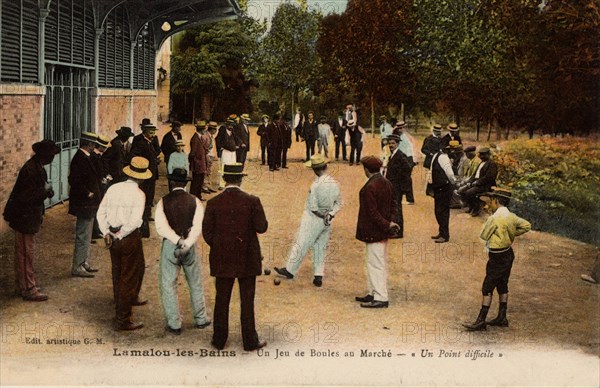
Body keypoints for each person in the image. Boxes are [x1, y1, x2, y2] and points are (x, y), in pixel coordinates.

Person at [202, 163, 268, 351]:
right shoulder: (252, 201)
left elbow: (207, 233)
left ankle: (219, 340)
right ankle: (250, 341)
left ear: (224, 179)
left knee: (222, 299)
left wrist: (221, 245)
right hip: (247, 258)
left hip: (222, 258)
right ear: (240, 179)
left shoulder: (213, 202)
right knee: (247, 301)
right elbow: (262, 227)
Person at [463, 187, 531, 331]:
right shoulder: (511, 216)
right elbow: (526, 225)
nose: (490, 204)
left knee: (487, 287)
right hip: (508, 254)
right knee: (502, 284)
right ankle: (502, 317)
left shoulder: (494, 218)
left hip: (496, 256)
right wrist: (511, 234)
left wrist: (495, 234)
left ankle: (481, 320)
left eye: (491, 201)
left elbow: (484, 235)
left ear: (496, 201)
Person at [97, 156, 152, 331]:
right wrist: (120, 235)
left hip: (111, 235)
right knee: (129, 274)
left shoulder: (113, 188)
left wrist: (106, 232)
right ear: (142, 178)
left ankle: (128, 298)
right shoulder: (139, 194)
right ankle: (123, 318)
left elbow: (101, 212)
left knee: (120, 270)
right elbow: (135, 222)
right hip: (127, 236)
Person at [155, 168, 211, 335]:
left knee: (168, 284)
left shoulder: (162, 202)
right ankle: (201, 319)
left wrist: (177, 240)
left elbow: (161, 227)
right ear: (185, 183)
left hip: (170, 246)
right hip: (190, 245)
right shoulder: (195, 201)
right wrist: (186, 243)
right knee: (195, 282)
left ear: (171, 183)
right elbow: (198, 226)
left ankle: (174, 323)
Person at [3, 139, 60, 301]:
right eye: (52, 155)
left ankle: (22, 285)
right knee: (26, 253)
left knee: (23, 252)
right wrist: (45, 191)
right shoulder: (31, 170)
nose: (53, 158)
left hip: (26, 216)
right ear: (46, 156)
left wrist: (47, 191)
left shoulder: (37, 167)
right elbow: (27, 197)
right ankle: (29, 288)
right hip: (24, 216)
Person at [274, 154, 342, 287]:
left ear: (314, 170)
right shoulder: (335, 183)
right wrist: (330, 215)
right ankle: (318, 275)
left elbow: (313, 207)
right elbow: (339, 203)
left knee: (301, 243)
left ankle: (290, 269)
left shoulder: (315, 185)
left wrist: (323, 215)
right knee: (320, 247)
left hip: (313, 219)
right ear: (326, 167)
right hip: (327, 219)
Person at [355, 156, 398, 308]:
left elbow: (372, 213)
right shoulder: (387, 183)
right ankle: (373, 292)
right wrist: (390, 222)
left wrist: (386, 224)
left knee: (375, 263)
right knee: (375, 261)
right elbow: (394, 204)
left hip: (373, 231)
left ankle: (380, 297)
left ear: (366, 169)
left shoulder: (370, 187)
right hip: (382, 231)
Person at [68, 132, 101, 278]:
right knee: (82, 235)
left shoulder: (86, 157)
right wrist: (87, 192)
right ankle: (77, 266)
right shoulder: (79, 159)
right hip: (84, 203)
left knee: (86, 235)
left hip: (89, 204)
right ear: (89, 145)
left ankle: (83, 262)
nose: (94, 147)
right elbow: (74, 180)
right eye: (93, 145)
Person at [129, 123, 160, 237]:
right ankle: (143, 227)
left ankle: (145, 222)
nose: (153, 135)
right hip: (144, 178)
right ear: (145, 132)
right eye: (151, 132)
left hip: (150, 176)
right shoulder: (141, 143)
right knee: (144, 200)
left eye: (153, 132)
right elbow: (133, 155)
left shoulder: (149, 142)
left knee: (149, 200)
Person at [429, 141, 460, 243]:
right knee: (438, 211)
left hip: (444, 188)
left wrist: (454, 182)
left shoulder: (443, 157)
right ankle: (441, 232)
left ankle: (445, 235)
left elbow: (450, 174)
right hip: (439, 188)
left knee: (442, 212)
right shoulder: (439, 156)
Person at [384, 134, 411, 239]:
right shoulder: (391, 155)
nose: (390, 145)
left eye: (393, 143)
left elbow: (408, 168)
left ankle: (399, 232)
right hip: (391, 186)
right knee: (393, 209)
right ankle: (394, 230)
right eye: (389, 143)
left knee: (397, 209)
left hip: (397, 187)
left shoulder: (400, 155)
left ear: (397, 144)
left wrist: (399, 181)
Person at [459, 147, 498, 216]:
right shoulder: (481, 163)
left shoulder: (491, 164)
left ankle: (476, 209)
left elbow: (488, 178)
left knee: (469, 192)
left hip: (486, 185)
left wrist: (477, 183)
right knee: (462, 191)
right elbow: (474, 175)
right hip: (477, 183)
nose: (481, 156)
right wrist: (470, 182)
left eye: (484, 155)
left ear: (488, 155)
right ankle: (471, 206)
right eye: (481, 155)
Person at [393, 121, 416, 204]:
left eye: (401, 128)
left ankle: (410, 199)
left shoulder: (404, 137)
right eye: (399, 128)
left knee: (406, 179)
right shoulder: (404, 136)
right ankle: (407, 197)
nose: (400, 130)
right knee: (404, 178)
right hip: (407, 158)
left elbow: (405, 150)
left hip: (407, 158)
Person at [216, 117, 240, 188]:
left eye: (232, 125)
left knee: (232, 167)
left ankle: (231, 182)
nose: (231, 126)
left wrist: (239, 145)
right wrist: (220, 148)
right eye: (229, 125)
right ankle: (222, 184)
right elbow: (218, 140)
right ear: (226, 125)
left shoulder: (233, 132)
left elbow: (237, 139)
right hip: (226, 152)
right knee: (224, 167)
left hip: (233, 152)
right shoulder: (223, 131)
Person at [189, 120, 208, 200]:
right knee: (196, 181)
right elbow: (192, 153)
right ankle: (194, 196)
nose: (205, 131)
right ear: (201, 129)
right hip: (198, 164)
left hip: (201, 163)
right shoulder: (195, 138)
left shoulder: (199, 137)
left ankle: (198, 196)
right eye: (204, 129)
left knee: (199, 181)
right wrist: (196, 162)